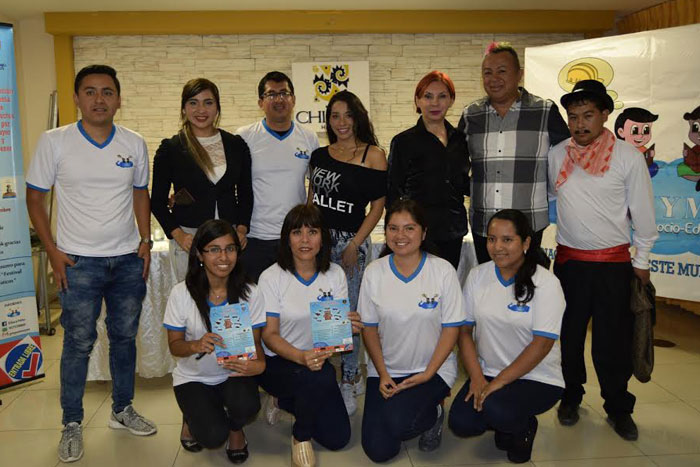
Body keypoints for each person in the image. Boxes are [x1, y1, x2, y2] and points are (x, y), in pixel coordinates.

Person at [25, 65, 156, 464]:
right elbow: (34, 198)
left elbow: (140, 193)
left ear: (119, 99)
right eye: (90, 91)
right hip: (77, 262)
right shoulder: (54, 141)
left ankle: (122, 409)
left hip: (127, 261)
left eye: (107, 92)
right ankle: (71, 422)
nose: (99, 99)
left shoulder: (133, 143)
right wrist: (52, 250)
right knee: (78, 343)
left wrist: (145, 240)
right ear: (77, 98)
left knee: (124, 338)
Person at [548, 79, 658, 440]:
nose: (579, 124)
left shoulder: (628, 157)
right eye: (573, 116)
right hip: (569, 265)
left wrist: (641, 261)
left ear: (605, 115)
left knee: (613, 341)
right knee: (569, 336)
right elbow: (554, 198)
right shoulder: (557, 155)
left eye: (588, 115)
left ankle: (618, 406)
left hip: (613, 266)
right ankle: (570, 396)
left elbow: (643, 214)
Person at [447, 209, 565, 464]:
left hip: (537, 377)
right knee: (461, 423)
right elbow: (464, 332)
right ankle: (504, 420)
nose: (497, 247)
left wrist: (498, 383)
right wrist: (477, 378)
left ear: (526, 242)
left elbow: (542, 344)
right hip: (488, 371)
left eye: (507, 240)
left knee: (497, 409)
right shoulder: (478, 275)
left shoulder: (546, 283)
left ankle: (523, 427)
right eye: (492, 239)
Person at [359, 199, 465, 462]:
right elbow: (369, 329)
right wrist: (383, 373)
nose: (400, 235)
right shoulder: (374, 272)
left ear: (423, 232)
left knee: (398, 422)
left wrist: (428, 374)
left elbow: (451, 329)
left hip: (433, 369)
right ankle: (406, 407)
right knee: (379, 451)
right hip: (386, 370)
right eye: (393, 228)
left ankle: (434, 413)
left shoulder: (442, 271)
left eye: (409, 228)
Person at [258, 204, 357, 467]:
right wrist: (302, 357)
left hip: (317, 361)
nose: (304, 240)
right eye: (296, 232)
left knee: (338, 438)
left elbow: (333, 335)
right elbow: (269, 335)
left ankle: (283, 401)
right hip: (279, 363)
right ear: (286, 238)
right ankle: (300, 437)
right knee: (321, 375)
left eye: (312, 232)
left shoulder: (334, 274)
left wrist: (345, 330)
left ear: (322, 238)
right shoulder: (271, 277)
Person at [308, 90, 387, 415]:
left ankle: (351, 377)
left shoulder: (373, 155)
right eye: (335, 116)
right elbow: (311, 200)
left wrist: (355, 243)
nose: (341, 122)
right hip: (318, 243)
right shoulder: (319, 155)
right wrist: (308, 239)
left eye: (348, 115)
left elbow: (378, 206)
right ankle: (325, 374)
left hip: (351, 243)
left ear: (358, 118)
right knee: (324, 311)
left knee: (349, 315)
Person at [163, 219, 265, 464]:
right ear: (200, 254)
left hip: (232, 373)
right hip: (194, 377)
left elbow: (255, 343)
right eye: (214, 250)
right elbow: (175, 345)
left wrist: (259, 364)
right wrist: (195, 345)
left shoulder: (251, 292)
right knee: (211, 437)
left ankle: (236, 429)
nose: (224, 257)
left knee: (247, 406)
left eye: (230, 249)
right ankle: (191, 416)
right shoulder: (181, 293)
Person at [459, 42, 570, 264]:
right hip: (484, 225)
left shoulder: (544, 111)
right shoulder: (471, 115)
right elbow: (457, 162)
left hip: (527, 224)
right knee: (489, 282)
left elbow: (567, 160)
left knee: (526, 282)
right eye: (487, 72)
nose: (494, 78)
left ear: (520, 74)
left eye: (502, 71)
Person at [152, 78, 253, 281]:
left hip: (228, 238)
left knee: (228, 295)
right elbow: (157, 202)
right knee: (191, 297)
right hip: (188, 239)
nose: (201, 110)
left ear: (217, 108)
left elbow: (245, 193)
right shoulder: (171, 149)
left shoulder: (236, 145)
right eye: (193, 103)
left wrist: (242, 229)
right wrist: (179, 235)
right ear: (183, 108)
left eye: (208, 102)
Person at [237, 71, 320, 282]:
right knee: (255, 298)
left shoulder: (309, 138)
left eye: (284, 93)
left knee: (294, 298)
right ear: (260, 102)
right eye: (271, 94)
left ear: (293, 99)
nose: (279, 99)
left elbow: (315, 184)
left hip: (295, 238)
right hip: (255, 238)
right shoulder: (245, 136)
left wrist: (308, 222)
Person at [387, 71, 469, 269]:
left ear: (451, 100)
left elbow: (461, 181)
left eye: (442, 96)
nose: (435, 103)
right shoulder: (403, 141)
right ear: (417, 100)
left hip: (453, 230)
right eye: (428, 96)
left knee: (446, 282)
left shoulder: (460, 139)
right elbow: (393, 191)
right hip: (417, 233)